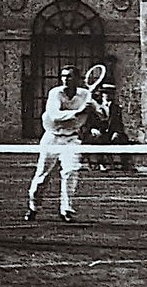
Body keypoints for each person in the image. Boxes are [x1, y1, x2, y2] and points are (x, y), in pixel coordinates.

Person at [27, 65, 108, 223]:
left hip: (72, 139)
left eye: (69, 76)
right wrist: (79, 111)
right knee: (42, 176)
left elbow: (104, 116)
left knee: (71, 171)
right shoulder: (55, 93)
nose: (65, 79)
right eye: (63, 76)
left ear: (77, 79)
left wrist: (97, 108)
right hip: (52, 138)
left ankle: (66, 210)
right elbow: (54, 115)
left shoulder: (85, 95)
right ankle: (33, 207)